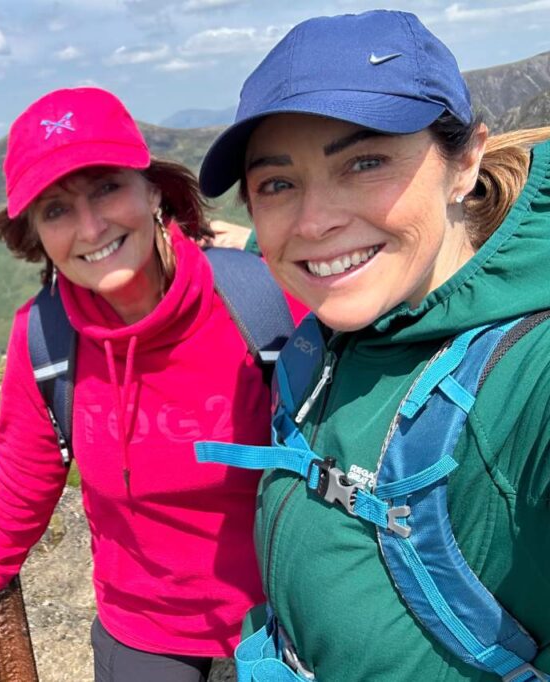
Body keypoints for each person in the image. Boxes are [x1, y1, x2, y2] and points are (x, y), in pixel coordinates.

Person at [196, 10, 550, 682]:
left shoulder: (529, 376)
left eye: (365, 162)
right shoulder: (343, 329)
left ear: (465, 161)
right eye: (277, 184)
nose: (314, 221)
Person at [0, 86, 304, 681]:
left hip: (283, 614)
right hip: (142, 627)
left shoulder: (262, 300)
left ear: (153, 190)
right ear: (36, 235)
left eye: (107, 187)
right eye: (57, 209)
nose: (90, 227)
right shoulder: (44, 339)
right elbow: (29, 469)